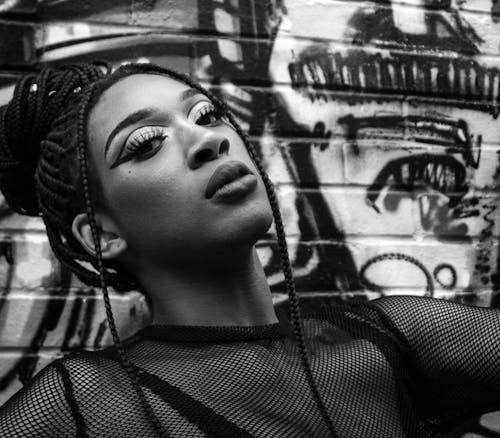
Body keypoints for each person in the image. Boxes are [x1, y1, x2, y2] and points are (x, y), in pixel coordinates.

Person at [0, 61, 498, 438]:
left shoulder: (392, 341)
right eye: (147, 142)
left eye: (208, 115)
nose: (208, 141)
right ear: (101, 235)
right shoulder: (88, 406)